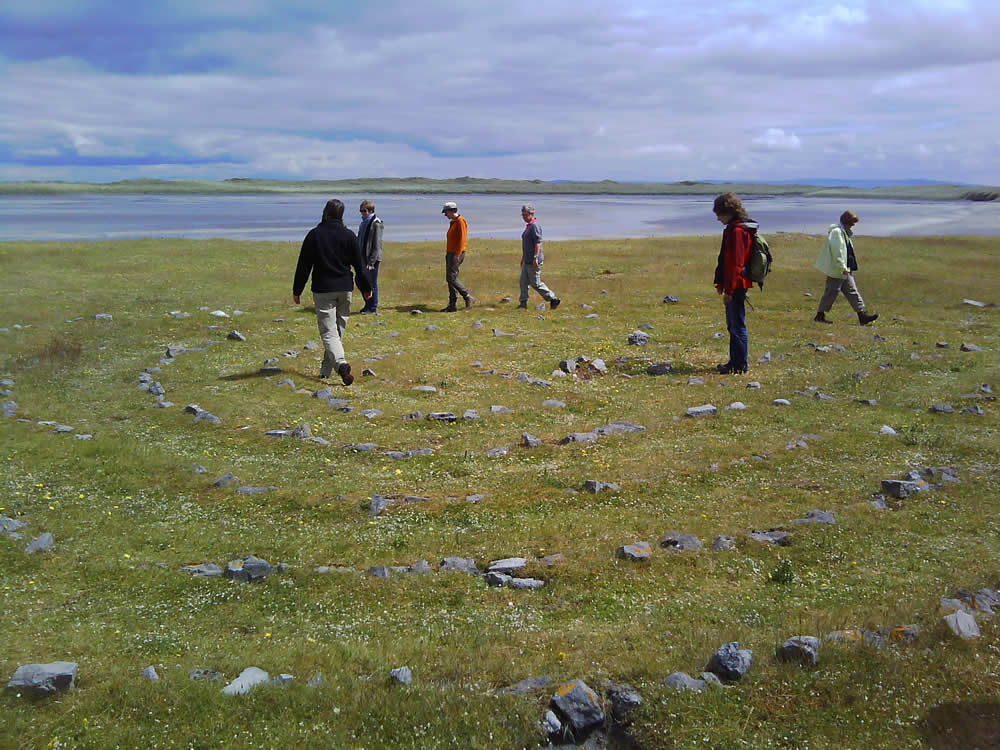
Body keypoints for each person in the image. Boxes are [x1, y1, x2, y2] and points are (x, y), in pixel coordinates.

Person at [292, 199, 372, 386]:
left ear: (325, 212)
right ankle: (326, 370)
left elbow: (303, 265)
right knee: (337, 331)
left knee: (329, 333)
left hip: (323, 290)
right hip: (345, 289)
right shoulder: (348, 235)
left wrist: (297, 290)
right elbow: (359, 266)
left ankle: (341, 365)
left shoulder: (314, 235)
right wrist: (366, 288)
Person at [712, 193, 756, 374]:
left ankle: (739, 365)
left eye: (719, 214)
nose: (717, 218)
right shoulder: (734, 229)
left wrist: (729, 289)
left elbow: (735, 263)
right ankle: (735, 362)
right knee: (733, 325)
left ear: (728, 211)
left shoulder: (737, 232)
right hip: (735, 283)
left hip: (737, 284)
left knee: (737, 325)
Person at [813, 211, 879, 325]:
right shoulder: (837, 233)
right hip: (838, 269)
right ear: (847, 222)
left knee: (852, 291)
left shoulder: (843, 232)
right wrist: (842, 267)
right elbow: (838, 251)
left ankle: (862, 315)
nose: (853, 225)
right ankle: (820, 315)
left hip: (845, 269)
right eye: (852, 223)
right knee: (831, 292)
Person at [517, 204, 560, 310]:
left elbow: (537, 243)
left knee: (535, 283)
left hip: (533, 260)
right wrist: (523, 258)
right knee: (523, 282)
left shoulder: (534, 226)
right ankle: (523, 303)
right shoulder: (528, 226)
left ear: (531, 214)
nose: (523, 217)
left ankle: (553, 298)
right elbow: (527, 245)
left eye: (525, 215)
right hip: (527, 260)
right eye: (522, 215)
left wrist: (535, 258)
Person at [441, 201, 473, 311]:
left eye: (446, 212)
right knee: (450, 278)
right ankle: (452, 304)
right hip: (450, 253)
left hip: (456, 253)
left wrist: (457, 254)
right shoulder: (453, 222)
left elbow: (462, 240)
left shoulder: (460, 221)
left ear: (452, 211)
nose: (445, 215)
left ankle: (467, 296)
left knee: (451, 278)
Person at [357, 199, 383, 314]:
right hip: (363, 257)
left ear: (370, 211)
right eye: (361, 210)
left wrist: (371, 263)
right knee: (359, 280)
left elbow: (376, 245)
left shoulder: (376, 223)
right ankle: (368, 304)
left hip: (371, 260)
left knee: (371, 283)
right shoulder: (364, 222)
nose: (362, 213)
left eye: (364, 211)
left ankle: (372, 307)